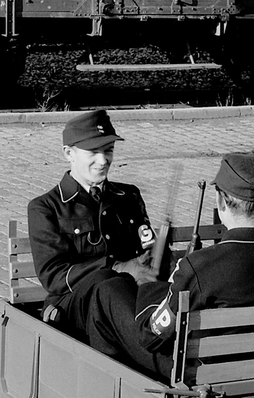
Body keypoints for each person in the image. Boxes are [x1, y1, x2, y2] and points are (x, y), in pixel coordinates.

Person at [87, 154, 254, 376]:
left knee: (107, 293)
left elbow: (152, 335)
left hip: (207, 372)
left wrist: (152, 286)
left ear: (221, 202)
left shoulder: (200, 267)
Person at [27, 110, 158, 341]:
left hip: (132, 297)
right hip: (73, 304)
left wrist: (153, 259)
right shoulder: (46, 208)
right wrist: (117, 268)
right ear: (69, 153)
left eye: (109, 150)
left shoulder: (128, 196)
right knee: (107, 286)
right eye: (93, 152)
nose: (103, 160)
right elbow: (55, 277)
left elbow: (148, 247)